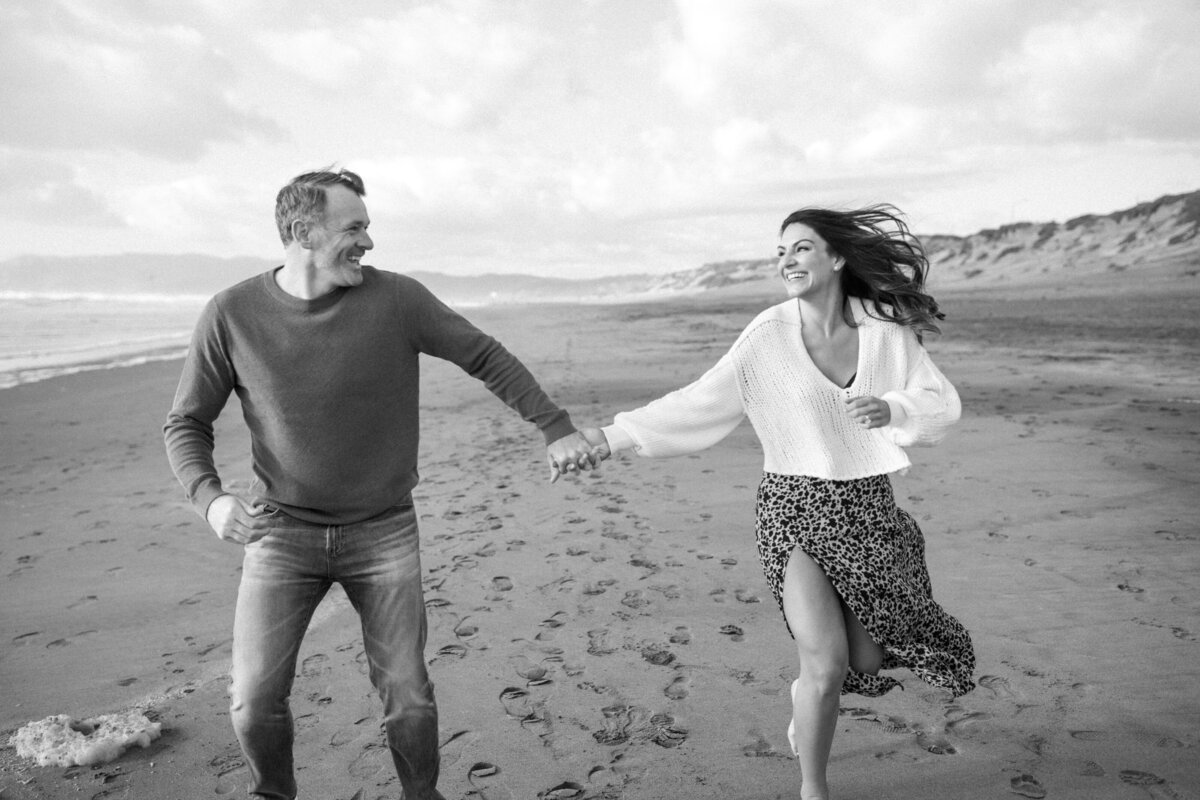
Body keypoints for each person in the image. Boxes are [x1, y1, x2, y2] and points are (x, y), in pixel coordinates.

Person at [163, 167, 598, 800]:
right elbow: (186, 423)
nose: (368, 242)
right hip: (280, 532)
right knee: (253, 701)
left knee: (409, 696)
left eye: (367, 227)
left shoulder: (398, 300)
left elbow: (484, 355)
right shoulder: (231, 314)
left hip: (384, 529)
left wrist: (554, 426)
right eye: (355, 228)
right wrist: (212, 500)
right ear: (302, 233)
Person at [579, 205, 975, 800]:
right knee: (825, 666)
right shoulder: (767, 335)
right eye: (781, 252)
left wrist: (894, 410)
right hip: (792, 508)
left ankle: (806, 700)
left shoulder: (887, 334)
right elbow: (701, 400)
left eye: (802, 248)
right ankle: (812, 787)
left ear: (837, 258)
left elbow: (939, 402)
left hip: (867, 507)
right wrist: (609, 439)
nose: (787, 261)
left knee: (865, 660)